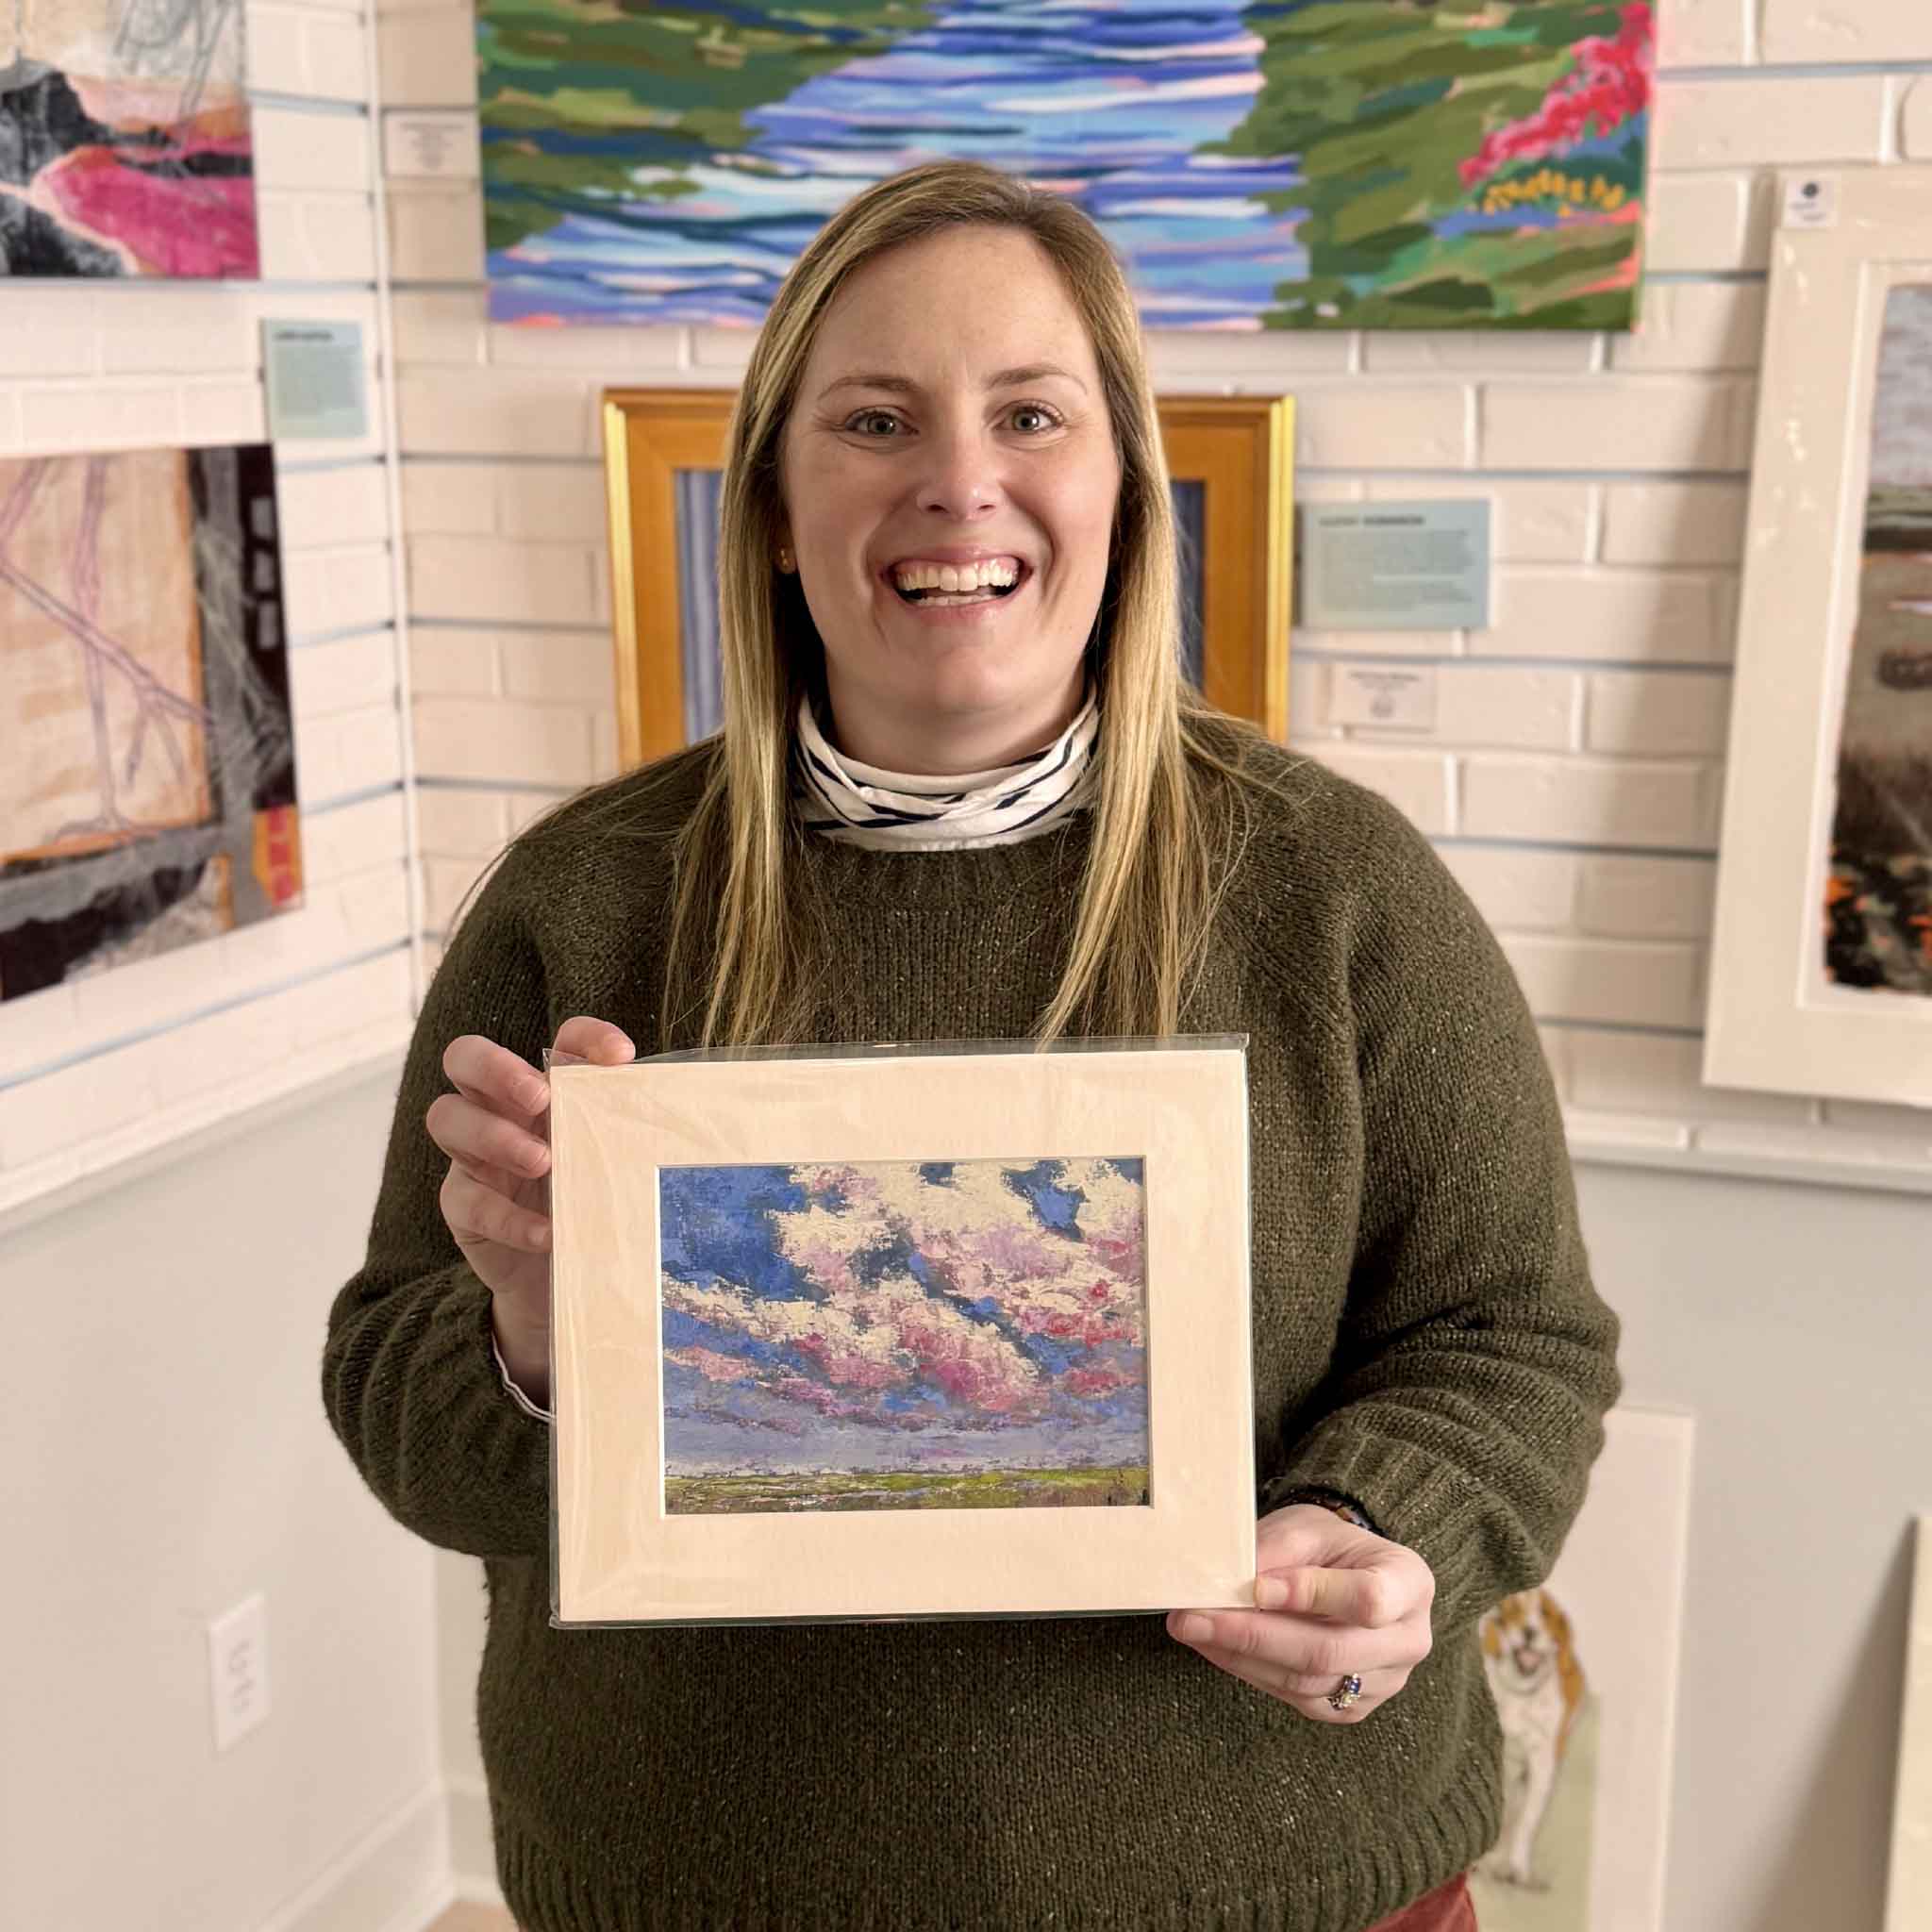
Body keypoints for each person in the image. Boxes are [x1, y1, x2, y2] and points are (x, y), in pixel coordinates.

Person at [323, 159, 1620, 1932]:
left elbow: (1513, 1340)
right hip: (699, 1891)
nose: (957, 479)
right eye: (875, 420)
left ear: (1122, 488)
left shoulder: (1335, 891)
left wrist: (1388, 1533)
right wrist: (539, 1349)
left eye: (1031, 414)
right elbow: (400, 1405)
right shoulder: (585, 903)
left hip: (1283, 1890)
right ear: (776, 508)